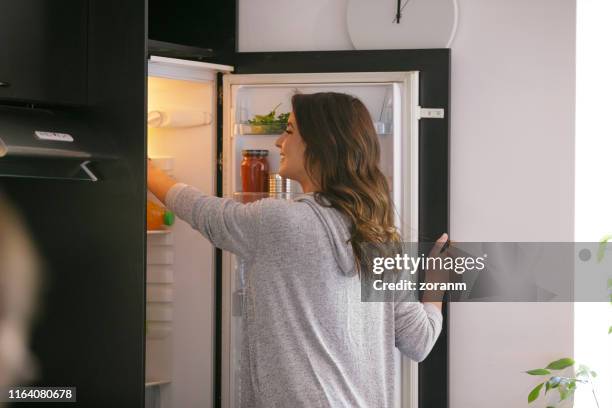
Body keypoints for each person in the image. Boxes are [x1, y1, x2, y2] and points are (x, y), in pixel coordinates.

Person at [147, 92, 447, 407]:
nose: (279, 142)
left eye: (289, 131)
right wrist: (437, 280)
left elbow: (204, 212)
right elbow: (420, 340)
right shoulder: (379, 235)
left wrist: (149, 171)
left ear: (321, 145)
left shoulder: (279, 221)